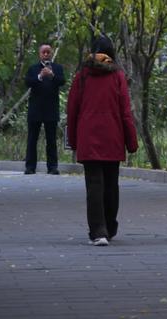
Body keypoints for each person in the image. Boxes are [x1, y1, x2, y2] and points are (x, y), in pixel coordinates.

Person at [66, 35, 138, 246]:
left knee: (94, 186)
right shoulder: (117, 76)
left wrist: (73, 140)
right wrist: (131, 141)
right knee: (111, 186)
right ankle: (110, 227)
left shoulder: (82, 77)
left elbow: (72, 111)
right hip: (113, 138)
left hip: (88, 138)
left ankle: (99, 232)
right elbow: (125, 112)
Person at [24, 43, 66, 175]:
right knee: (32, 139)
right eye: (44, 52)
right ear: (40, 54)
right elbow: (28, 82)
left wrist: (52, 75)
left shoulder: (57, 68)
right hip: (35, 109)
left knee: (51, 140)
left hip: (51, 109)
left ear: (51, 53)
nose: (46, 54)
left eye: (48, 52)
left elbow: (62, 81)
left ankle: (52, 167)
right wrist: (40, 76)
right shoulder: (33, 68)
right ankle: (30, 167)